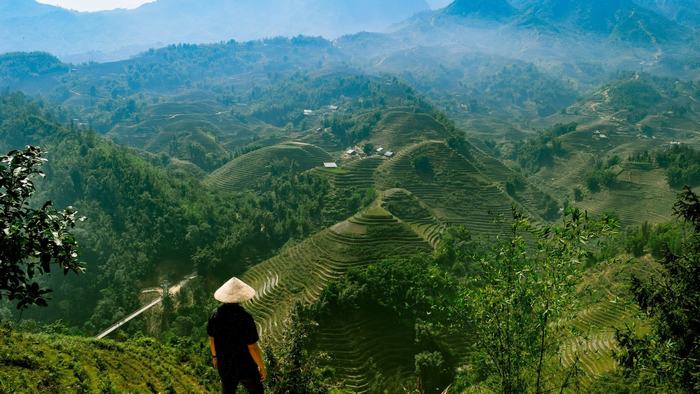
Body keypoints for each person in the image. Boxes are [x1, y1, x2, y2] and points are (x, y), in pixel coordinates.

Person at [207, 277, 267, 394]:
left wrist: (215, 357)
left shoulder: (215, 316)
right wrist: (262, 367)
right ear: (240, 298)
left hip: (225, 365)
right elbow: (252, 347)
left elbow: (212, 340)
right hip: (246, 366)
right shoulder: (245, 317)